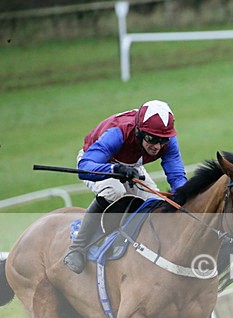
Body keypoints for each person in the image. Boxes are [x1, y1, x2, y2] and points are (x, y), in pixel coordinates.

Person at [63, 100, 188, 274]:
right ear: (138, 131)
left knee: (158, 206)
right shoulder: (118, 132)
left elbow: (177, 176)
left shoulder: (167, 140)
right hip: (100, 164)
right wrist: (115, 169)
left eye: (163, 140)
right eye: (152, 139)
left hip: (131, 167)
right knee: (115, 191)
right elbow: (85, 168)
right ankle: (77, 247)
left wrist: (185, 196)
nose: (158, 146)